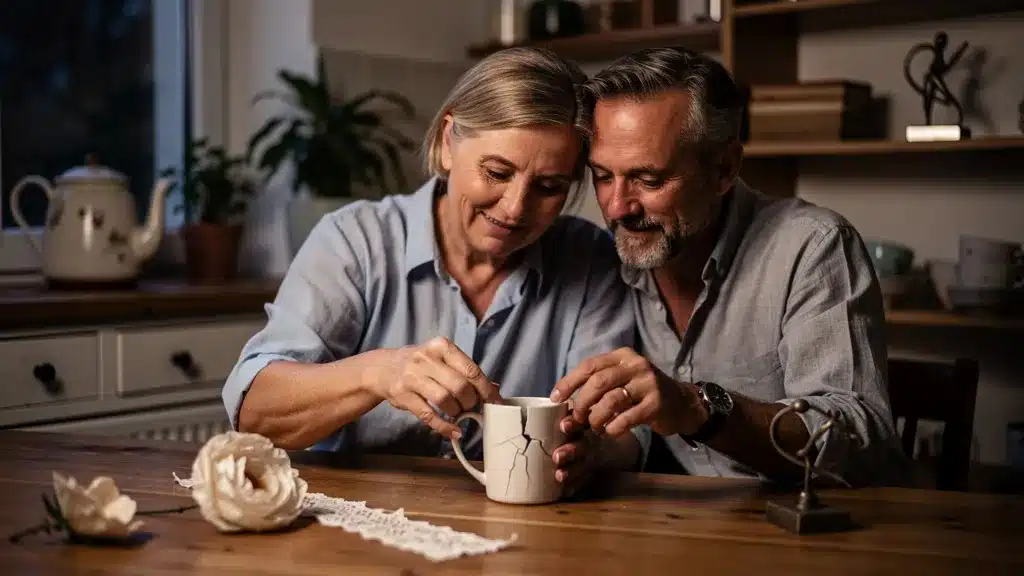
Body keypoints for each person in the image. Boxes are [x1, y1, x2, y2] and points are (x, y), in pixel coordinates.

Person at [222, 47, 646, 492]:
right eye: (497, 173)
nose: (516, 208)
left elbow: (621, 433)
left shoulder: (591, 259)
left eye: (549, 187)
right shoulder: (354, 241)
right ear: (448, 143)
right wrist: (377, 373)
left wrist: (594, 452)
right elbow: (255, 412)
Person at [550, 47, 907, 488]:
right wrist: (599, 452)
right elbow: (641, 435)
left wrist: (697, 407)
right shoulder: (616, 256)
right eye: (603, 176)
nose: (617, 207)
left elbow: (859, 441)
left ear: (724, 169)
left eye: (649, 179)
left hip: (813, 533)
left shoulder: (812, 247)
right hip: (679, 531)